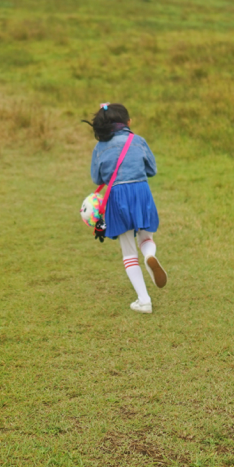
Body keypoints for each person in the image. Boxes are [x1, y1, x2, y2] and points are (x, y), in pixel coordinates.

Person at [85, 102, 166, 314]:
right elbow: (152, 170)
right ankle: (150, 256)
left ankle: (144, 300)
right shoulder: (138, 141)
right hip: (141, 192)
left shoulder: (100, 147)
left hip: (117, 196)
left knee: (128, 252)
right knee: (146, 239)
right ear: (128, 123)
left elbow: (97, 178)